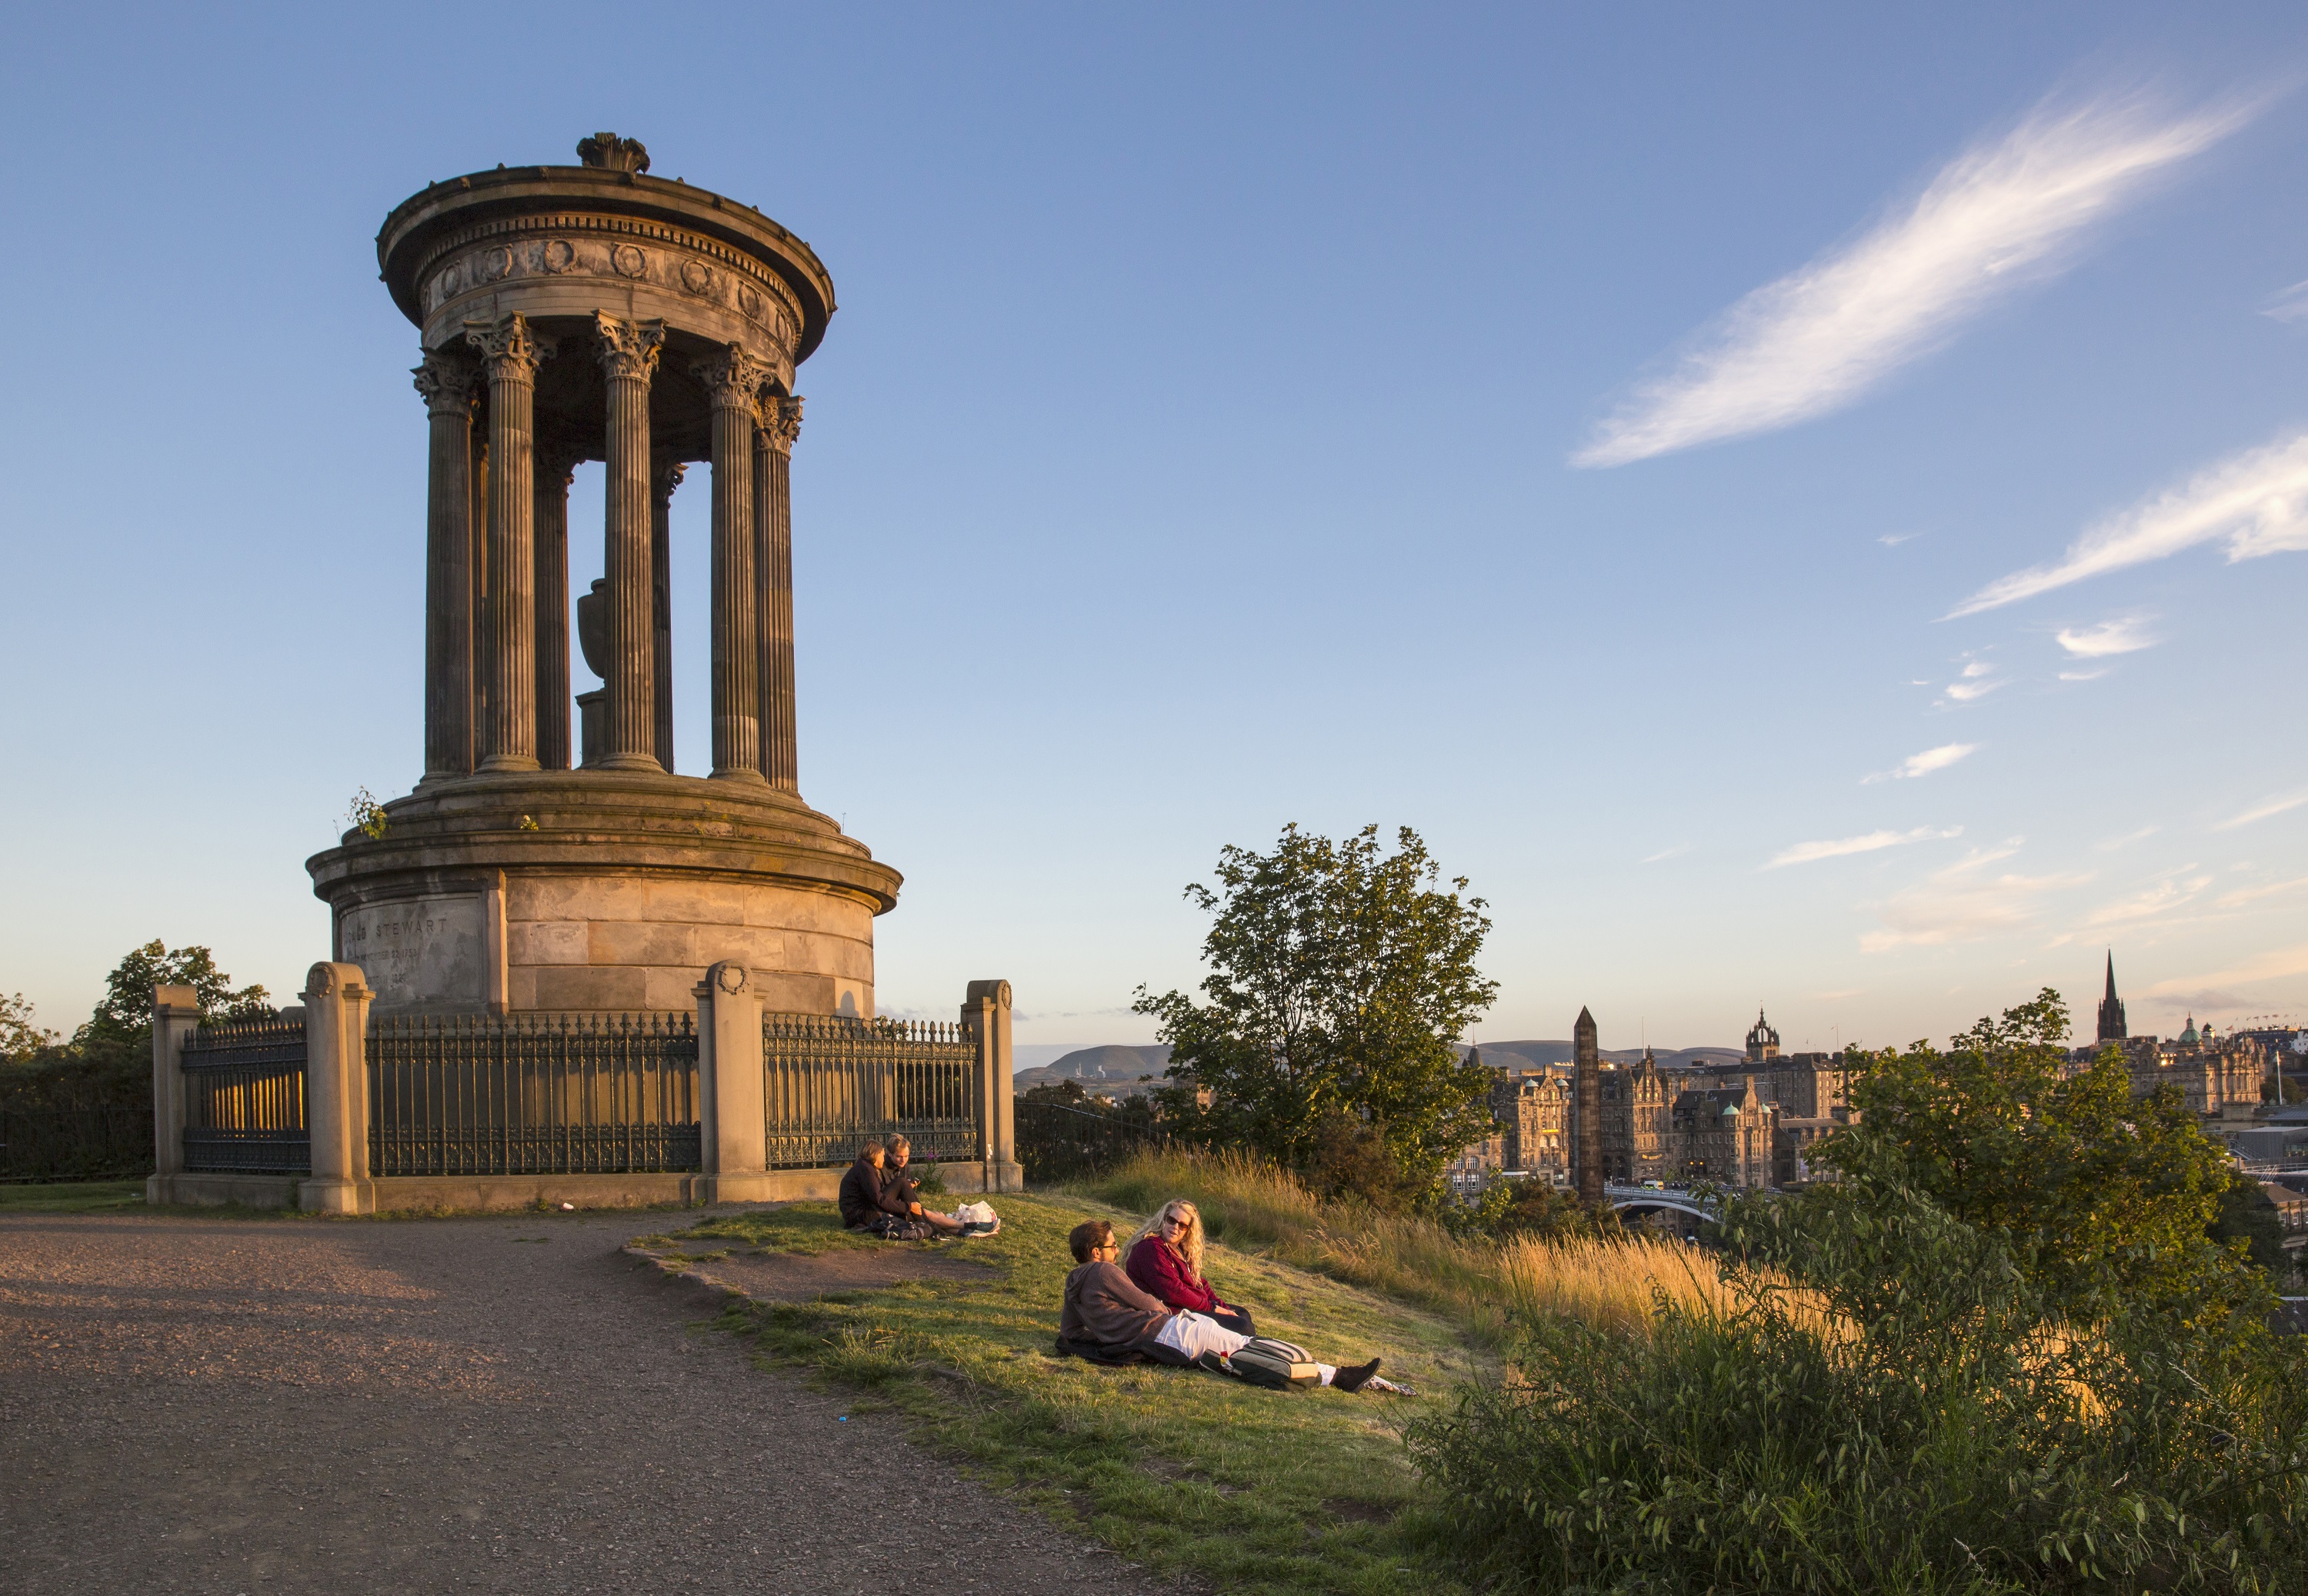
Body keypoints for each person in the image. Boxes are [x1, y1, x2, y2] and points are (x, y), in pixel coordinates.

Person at [1057, 1219, 1382, 1391]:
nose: (1117, 1251)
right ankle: (1340, 1376)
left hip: (1168, 1338)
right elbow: (1150, 1305)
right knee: (1251, 1348)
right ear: (1096, 1251)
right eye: (1112, 1246)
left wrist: (1111, 1332)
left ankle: (1339, 1374)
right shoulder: (1103, 1271)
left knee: (1247, 1348)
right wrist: (1142, 1318)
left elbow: (1071, 1332)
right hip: (1172, 1332)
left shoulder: (1074, 1283)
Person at [1126, 1199, 1252, 1334]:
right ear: (1164, 1219)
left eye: (1182, 1226)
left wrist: (1223, 1307)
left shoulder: (1180, 1250)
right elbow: (1174, 1291)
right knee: (1242, 1327)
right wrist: (1212, 1308)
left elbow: (1200, 1283)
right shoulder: (1151, 1247)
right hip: (1168, 1315)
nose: (1175, 1227)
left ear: (1188, 1230)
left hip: (1189, 1307)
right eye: (1171, 1220)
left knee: (1242, 1314)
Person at [880, 1135, 965, 1236]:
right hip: (893, 1207)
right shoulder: (881, 1166)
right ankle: (966, 1226)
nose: (903, 1160)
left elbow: (903, 1190)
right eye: (899, 1157)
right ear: (890, 1154)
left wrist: (909, 1187)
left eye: (906, 1156)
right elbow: (884, 1194)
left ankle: (963, 1229)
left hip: (903, 1205)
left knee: (937, 1215)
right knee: (929, 1215)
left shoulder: (904, 1166)